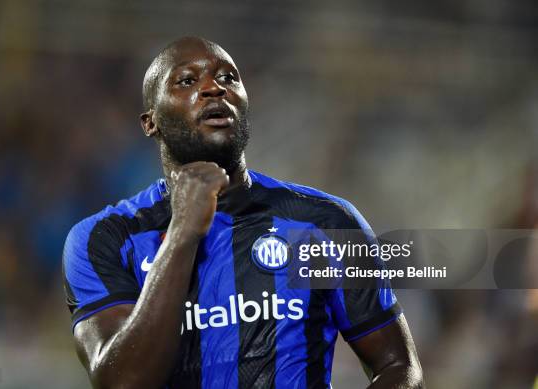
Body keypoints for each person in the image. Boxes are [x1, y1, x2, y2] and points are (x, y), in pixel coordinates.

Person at [62, 36, 424, 388]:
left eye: (227, 78)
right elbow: (121, 382)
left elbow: (399, 367)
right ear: (150, 122)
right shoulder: (102, 239)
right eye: (187, 81)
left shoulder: (324, 222)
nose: (213, 89)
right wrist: (182, 233)